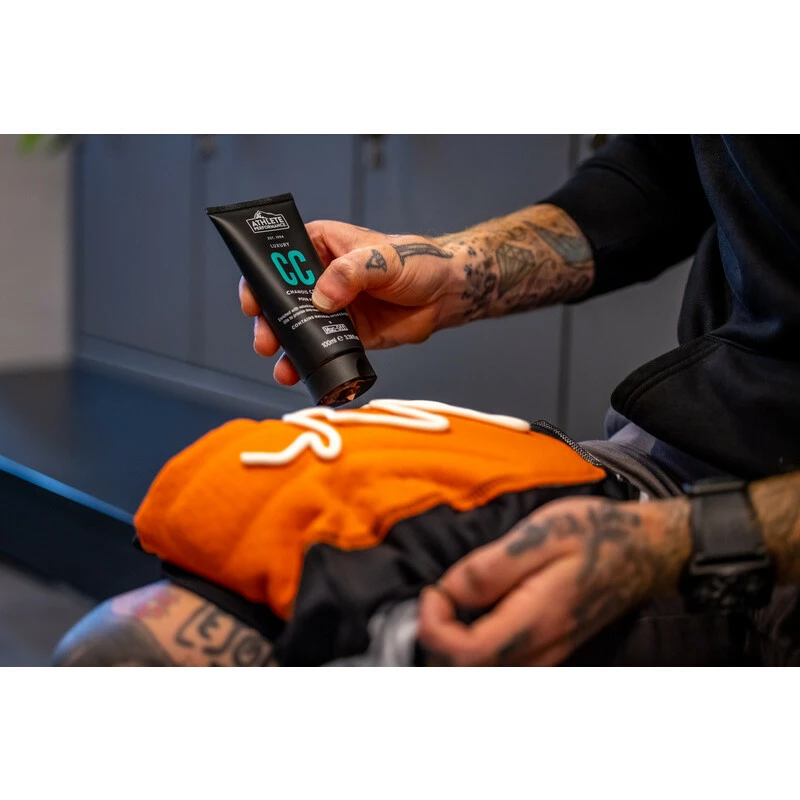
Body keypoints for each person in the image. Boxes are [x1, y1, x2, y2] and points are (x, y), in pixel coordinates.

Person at [53, 135, 800, 667]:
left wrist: (681, 544)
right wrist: (454, 272)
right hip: (685, 455)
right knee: (130, 652)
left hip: (765, 537)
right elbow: (662, 174)